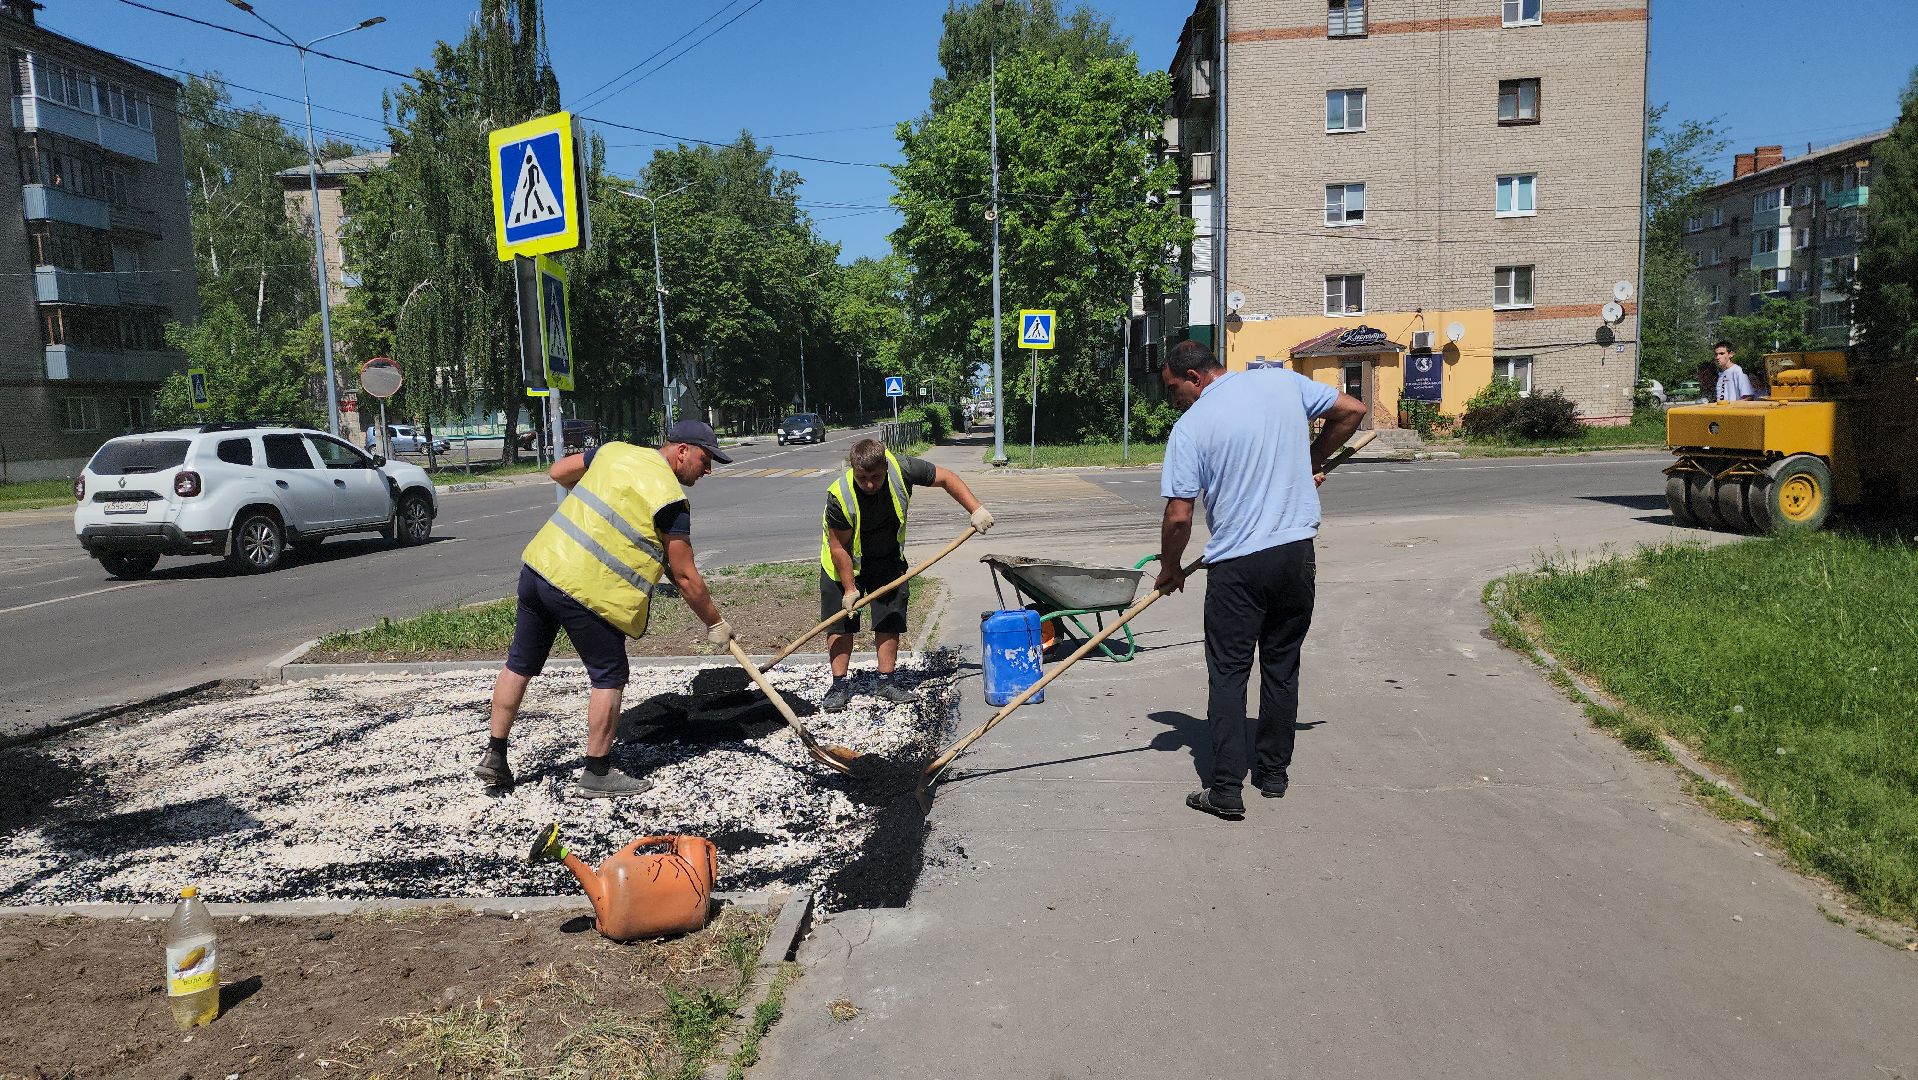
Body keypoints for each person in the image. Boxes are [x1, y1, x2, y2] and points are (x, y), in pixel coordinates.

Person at [1152, 340, 1367, 820]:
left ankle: (1226, 789)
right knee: (1281, 663)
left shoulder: (1192, 427)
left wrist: (1169, 567)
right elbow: (1352, 410)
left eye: (1173, 389)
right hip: (1295, 555)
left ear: (1194, 377)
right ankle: (1273, 774)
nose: (1174, 400)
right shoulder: (1279, 382)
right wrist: (1312, 457)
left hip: (1237, 567)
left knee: (1228, 672)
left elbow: (1179, 516)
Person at [474, 420, 736, 798]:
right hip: (585, 589)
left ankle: (495, 755)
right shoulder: (670, 500)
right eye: (705, 458)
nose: (708, 468)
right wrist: (715, 622)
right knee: (609, 675)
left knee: (520, 663)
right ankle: (596, 772)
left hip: (540, 569)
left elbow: (559, 470)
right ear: (681, 451)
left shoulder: (615, 452)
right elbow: (684, 575)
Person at [819, 438, 994, 711]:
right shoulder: (839, 495)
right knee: (841, 622)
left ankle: (886, 681)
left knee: (889, 616)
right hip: (844, 562)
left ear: (885, 466)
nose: (869, 484)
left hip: (887, 558)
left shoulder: (903, 469)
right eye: (862, 477)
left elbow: (947, 478)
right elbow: (839, 547)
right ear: (853, 468)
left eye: (876, 477)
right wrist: (850, 589)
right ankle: (839, 685)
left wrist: (976, 509)